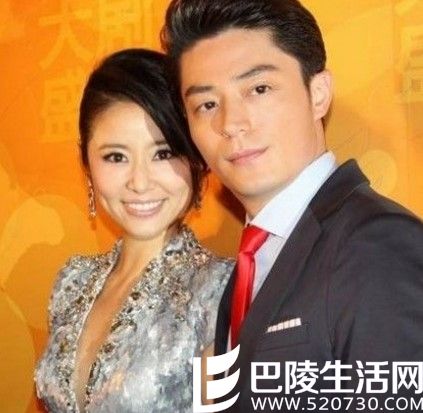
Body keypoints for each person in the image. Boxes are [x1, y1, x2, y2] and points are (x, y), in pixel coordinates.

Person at [161, 0, 423, 411]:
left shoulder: (377, 243)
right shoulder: (248, 263)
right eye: (207, 105)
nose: (231, 123)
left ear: (318, 94)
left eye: (258, 89)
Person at [34, 48, 233, 412]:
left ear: (194, 157)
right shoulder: (72, 282)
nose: (139, 183)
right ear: (86, 163)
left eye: (163, 153)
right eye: (116, 157)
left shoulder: (220, 291)